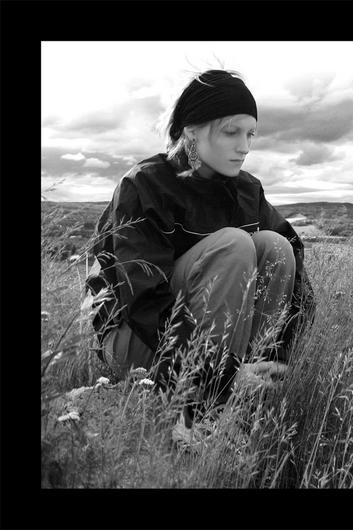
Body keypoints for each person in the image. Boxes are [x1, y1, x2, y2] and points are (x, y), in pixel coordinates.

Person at [85, 69, 315, 440]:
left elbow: (296, 267)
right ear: (192, 132)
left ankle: (251, 387)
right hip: (137, 338)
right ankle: (202, 408)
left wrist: (281, 353)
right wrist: (219, 373)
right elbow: (143, 302)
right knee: (234, 244)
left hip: (207, 350)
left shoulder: (247, 190)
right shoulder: (144, 185)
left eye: (251, 134)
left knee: (276, 246)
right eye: (231, 132)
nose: (245, 146)